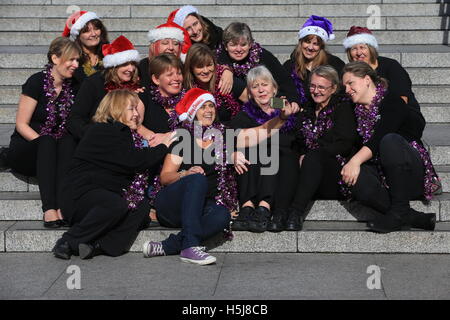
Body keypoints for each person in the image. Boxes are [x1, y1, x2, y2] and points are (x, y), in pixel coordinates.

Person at [142, 87, 299, 265]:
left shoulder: (223, 135)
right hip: (172, 205)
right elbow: (165, 177)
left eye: (211, 106)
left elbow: (260, 131)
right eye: (203, 107)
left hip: (201, 208)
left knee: (222, 215)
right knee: (197, 178)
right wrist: (185, 173)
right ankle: (190, 247)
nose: (209, 110)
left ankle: (171, 245)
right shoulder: (183, 138)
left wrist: (282, 118)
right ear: (193, 112)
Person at [52, 89, 175, 260]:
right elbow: (133, 161)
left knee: (141, 208)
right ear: (116, 109)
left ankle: (98, 245)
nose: (136, 114)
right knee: (115, 204)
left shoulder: (121, 133)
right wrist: (162, 147)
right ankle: (67, 241)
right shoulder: (102, 131)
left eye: (136, 109)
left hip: (103, 195)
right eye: (131, 109)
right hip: (80, 196)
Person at [341, 61, 438, 233]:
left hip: (408, 172)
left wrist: (355, 161)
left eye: (350, 83)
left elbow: (379, 137)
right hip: (381, 174)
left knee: (389, 140)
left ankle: (399, 211)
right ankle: (406, 215)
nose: (347, 90)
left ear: (367, 80)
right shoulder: (353, 109)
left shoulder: (392, 100)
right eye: (345, 86)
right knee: (353, 177)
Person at [2, 37, 81, 228]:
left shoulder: (74, 86)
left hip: (57, 151)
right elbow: (22, 124)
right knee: (47, 141)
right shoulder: (36, 81)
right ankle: (49, 208)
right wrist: (46, 145)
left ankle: (63, 206)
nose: (76, 65)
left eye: (78, 60)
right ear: (55, 58)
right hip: (28, 149)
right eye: (71, 59)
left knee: (68, 140)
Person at [283, 65, 358, 231]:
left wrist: (311, 154)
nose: (316, 91)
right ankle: (278, 211)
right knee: (286, 155)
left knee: (314, 156)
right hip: (307, 173)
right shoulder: (307, 108)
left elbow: (344, 144)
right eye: (313, 86)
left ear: (333, 88)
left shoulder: (343, 108)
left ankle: (295, 212)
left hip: (333, 173)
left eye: (322, 87)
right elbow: (297, 140)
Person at [228, 66, 300, 233]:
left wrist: (284, 116)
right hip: (253, 168)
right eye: (255, 86)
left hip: (281, 164)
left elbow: (296, 142)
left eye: (265, 84)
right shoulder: (244, 115)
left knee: (271, 150)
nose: (261, 90)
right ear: (250, 93)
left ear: (274, 88)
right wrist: (233, 152)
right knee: (247, 151)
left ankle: (263, 208)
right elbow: (230, 138)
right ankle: (247, 207)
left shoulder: (287, 112)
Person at [67, 35, 142, 141]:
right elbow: (75, 119)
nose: (131, 69)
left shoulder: (137, 83)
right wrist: (95, 134)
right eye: (125, 64)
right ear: (113, 66)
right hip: (99, 139)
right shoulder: (94, 83)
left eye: (133, 64)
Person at [217, 22, 300, 110]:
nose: (238, 49)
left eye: (243, 44)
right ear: (225, 46)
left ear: (250, 44)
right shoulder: (218, 60)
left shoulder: (263, 56)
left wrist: (292, 101)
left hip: (266, 104)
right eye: (233, 45)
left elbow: (285, 82)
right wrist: (226, 69)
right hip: (232, 111)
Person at [343, 26, 420, 111]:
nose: (358, 53)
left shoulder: (391, 66)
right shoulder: (350, 73)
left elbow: (402, 99)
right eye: (354, 49)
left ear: (371, 49)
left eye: (362, 47)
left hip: (400, 114)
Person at [283, 15, 345, 105]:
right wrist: (287, 106)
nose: (310, 47)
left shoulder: (335, 64)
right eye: (307, 42)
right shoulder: (289, 66)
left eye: (316, 44)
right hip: (297, 115)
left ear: (321, 47)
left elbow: (342, 94)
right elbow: (275, 98)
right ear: (301, 42)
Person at [183, 43, 247, 123]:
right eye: (200, 66)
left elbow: (254, 102)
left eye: (209, 65)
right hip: (199, 133)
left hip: (232, 132)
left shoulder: (226, 81)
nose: (206, 70)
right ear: (191, 67)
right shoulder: (184, 88)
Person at [62, 10, 109, 84]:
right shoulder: (71, 59)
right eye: (87, 31)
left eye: (96, 29)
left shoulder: (109, 54)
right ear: (78, 36)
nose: (93, 34)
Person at [138, 21, 190, 88]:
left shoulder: (186, 67)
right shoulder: (142, 67)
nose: (171, 47)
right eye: (165, 43)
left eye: (175, 44)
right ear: (154, 46)